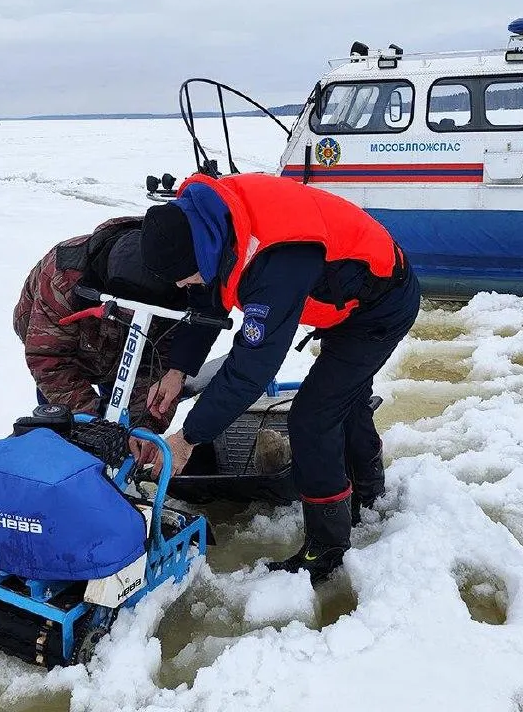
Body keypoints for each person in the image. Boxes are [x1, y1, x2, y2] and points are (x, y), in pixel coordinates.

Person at [139, 172, 420, 583]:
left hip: (380, 305)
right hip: (348, 297)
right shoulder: (207, 220)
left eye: (185, 276)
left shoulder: (275, 257)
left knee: (313, 414)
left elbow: (251, 369)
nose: (183, 285)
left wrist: (189, 437)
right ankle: (369, 489)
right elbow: (206, 294)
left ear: (201, 250)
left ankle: (326, 548)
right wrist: (178, 369)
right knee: (347, 398)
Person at [12, 216, 188, 458]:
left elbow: (161, 364)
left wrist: (144, 424)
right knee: (67, 422)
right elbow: (50, 361)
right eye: (129, 311)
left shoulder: (180, 278)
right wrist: (92, 424)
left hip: (126, 350)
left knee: (122, 414)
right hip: (67, 345)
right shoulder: (62, 277)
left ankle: (120, 451)